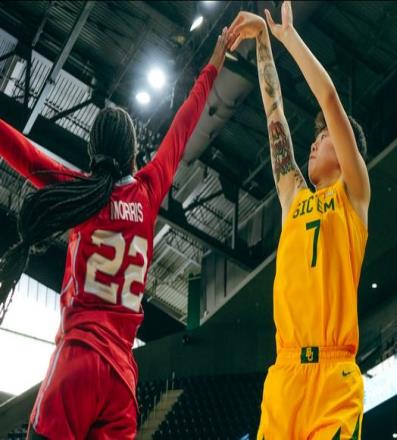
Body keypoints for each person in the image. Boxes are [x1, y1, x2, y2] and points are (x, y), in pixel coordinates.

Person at [0, 27, 234, 440]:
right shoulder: (149, 191)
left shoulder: (80, 194)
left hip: (79, 358)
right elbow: (184, 125)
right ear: (132, 153)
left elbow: (20, 150)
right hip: (122, 380)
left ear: (93, 152)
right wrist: (213, 64)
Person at [228, 3, 370, 438]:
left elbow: (329, 99)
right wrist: (262, 42)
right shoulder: (293, 195)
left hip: (333, 378)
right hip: (285, 376)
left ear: (346, 153)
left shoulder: (353, 195)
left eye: (323, 137)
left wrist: (289, 38)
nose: (313, 143)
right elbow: (275, 114)